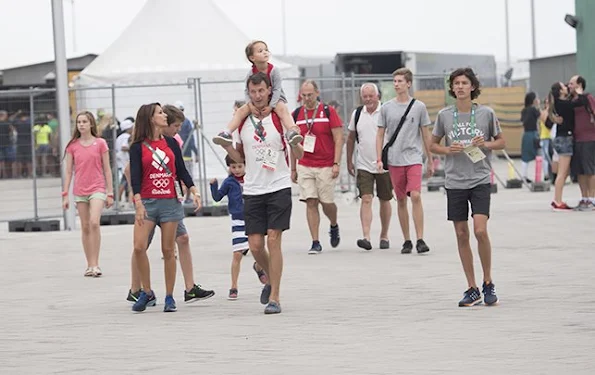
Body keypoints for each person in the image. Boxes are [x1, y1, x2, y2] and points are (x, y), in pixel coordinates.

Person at [219, 72, 304, 314]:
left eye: (261, 91)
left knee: (273, 239)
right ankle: (268, 273)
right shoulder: (244, 120)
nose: (257, 96)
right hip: (253, 188)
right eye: (253, 92)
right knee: (255, 245)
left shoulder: (279, 116)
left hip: (278, 185)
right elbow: (239, 157)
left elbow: (299, 155)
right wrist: (227, 146)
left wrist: (296, 143)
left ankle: (275, 296)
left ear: (269, 91)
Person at [430, 67, 506, 307]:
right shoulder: (444, 115)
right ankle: (472, 287)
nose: (460, 87)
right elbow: (432, 145)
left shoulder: (486, 113)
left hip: (480, 178)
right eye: (456, 83)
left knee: (480, 231)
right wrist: (446, 149)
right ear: (451, 88)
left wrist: (487, 143)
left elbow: (501, 141)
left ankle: (488, 281)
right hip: (454, 180)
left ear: (473, 86)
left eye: (464, 83)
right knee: (461, 234)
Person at [124, 104, 214, 305]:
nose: (164, 116)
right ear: (151, 119)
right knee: (140, 246)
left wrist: (194, 190)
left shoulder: (172, 143)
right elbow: (133, 174)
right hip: (147, 201)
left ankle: (172, 295)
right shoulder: (138, 146)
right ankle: (140, 290)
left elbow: (181, 169)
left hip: (170, 201)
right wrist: (137, 200)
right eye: (160, 113)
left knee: (173, 245)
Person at [376, 68, 434, 254]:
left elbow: (426, 134)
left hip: (414, 157)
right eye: (394, 81)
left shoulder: (419, 107)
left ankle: (420, 239)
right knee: (401, 199)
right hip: (394, 158)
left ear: (408, 83)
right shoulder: (386, 108)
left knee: (415, 195)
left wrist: (430, 159)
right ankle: (407, 240)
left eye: (400, 81)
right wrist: (379, 158)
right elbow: (380, 134)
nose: (396, 84)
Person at [213, 40, 302, 147]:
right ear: (252, 58)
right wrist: (250, 105)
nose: (265, 52)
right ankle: (226, 132)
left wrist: (271, 106)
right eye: (260, 51)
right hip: (256, 99)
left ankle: (292, 130)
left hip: (275, 98)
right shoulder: (251, 73)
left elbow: (277, 89)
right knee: (240, 111)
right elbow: (247, 91)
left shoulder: (274, 70)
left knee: (282, 109)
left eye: (266, 50)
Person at [291, 80, 344, 254]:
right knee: (311, 201)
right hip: (305, 163)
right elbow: (292, 143)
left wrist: (336, 163)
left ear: (317, 93)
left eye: (310, 95)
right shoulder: (296, 114)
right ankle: (315, 241)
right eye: (304, 95)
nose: (307, 99)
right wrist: (293, 168)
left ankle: (334, 224)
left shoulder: (328, 112)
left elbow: (338, 138)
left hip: (326, 164)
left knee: (326, 202)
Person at [62, 111, 114, 277]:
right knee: (84, 226)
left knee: (94, 223)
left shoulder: (100, 144)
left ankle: (96, 264)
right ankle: (89, 264)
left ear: (91, 124)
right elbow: (69, 171)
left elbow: (107, 169)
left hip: (97, 188)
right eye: (79, 122)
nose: (81, 125)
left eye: (84, 121)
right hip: (80, 190)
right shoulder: (72, 146)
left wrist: (110, 192)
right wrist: (65, 194)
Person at [210, 155, 268, 300]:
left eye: (240, 166)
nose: (236, 170)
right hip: (238, 220)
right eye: (233, 167)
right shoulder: (229, 182)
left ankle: (259, 267)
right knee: (237, 254)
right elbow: (217, 197)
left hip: (254, 217)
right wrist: (213, 186)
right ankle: (233, 286)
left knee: (258, 249)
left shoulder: (252, 178)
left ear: (245, 166)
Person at [346, 83, 393, 250]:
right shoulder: (357, 114)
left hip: (385, 164)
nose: (368, 99)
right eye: (364, 96)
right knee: (366, 198)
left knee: (385, 199)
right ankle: (366, 236)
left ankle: (384, 235)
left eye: (370, 96)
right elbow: (350, 138)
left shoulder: (386, 111)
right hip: (364, 163)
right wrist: (349, 160)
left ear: (378, 95)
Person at [548, 81, 589, 211]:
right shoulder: (564, 104)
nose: (567, 87)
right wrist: (580, 92)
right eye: (564, 86)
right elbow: (580, 102)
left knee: (563, 173)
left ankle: (557, 200)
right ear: (560, 91)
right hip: (565, 139)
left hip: (562, 138)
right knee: (562, 173)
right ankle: (557, 201)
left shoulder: (559, 103)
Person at [567, 75, 595, 210]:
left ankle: (592, 199)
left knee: (590, 170)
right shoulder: (571, 101)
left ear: (579, 85)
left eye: (572, 84)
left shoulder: (588, 98)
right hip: (576, 139)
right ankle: (584, 198)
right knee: (580, 171)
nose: (569, 86)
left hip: (589, 139)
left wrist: (581, 95)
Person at [520, 92, 540, 183]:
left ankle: (524, 175)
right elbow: (540, 115)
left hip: (526, 134)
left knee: (525, 157)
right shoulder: (533, 109)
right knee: (540, 155)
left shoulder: (524, 110)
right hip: (533, 134)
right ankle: (541, 175)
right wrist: (538, 106)